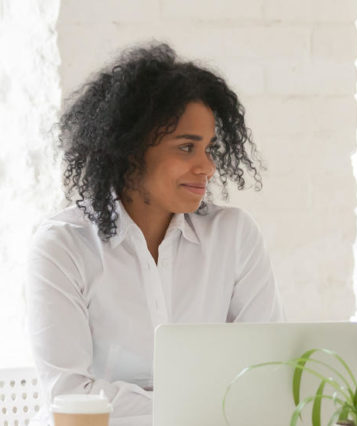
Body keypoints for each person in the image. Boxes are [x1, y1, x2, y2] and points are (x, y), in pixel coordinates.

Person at [26, 43, 284, 421]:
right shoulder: (63, 246)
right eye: (186, 148)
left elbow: (264, 370)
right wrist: (201, 402)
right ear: (129, 151)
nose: (207, 167)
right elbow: (69, 397)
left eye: (209, 148)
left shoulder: (234, 235)